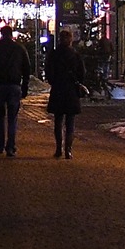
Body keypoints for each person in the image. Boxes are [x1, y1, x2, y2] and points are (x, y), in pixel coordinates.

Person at [0, 25, 33, 155]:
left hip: (0, 85)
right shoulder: (19, 48)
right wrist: (25, 86)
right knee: (12, 118)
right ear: (11, 35)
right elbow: (27, 69)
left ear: (2, 34)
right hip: (14, 85)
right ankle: (10, 146)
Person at [46, 29, 85, 158]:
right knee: (70, 122)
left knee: (58, 121)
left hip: (58, 90)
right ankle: (68, 150)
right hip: (71, 91)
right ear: (70, 40)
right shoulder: (75, 55)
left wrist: (54, 81)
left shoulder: (54, 54)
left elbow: (49, 71)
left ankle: (58, 149)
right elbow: (82, 73)